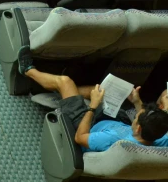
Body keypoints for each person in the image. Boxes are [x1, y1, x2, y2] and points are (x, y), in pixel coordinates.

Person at [18, 47, 168, 151]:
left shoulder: (114, 140)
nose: (138, 114)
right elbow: (147, 119)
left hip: (86, 124)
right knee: (99, 89)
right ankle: (58, 90)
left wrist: (93, 106)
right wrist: (136, 102)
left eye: (137, 118)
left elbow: (80, 138)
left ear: (139, 127)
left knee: (65, 81)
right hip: (112, 120)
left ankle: (27, 70)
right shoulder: (159, 138)